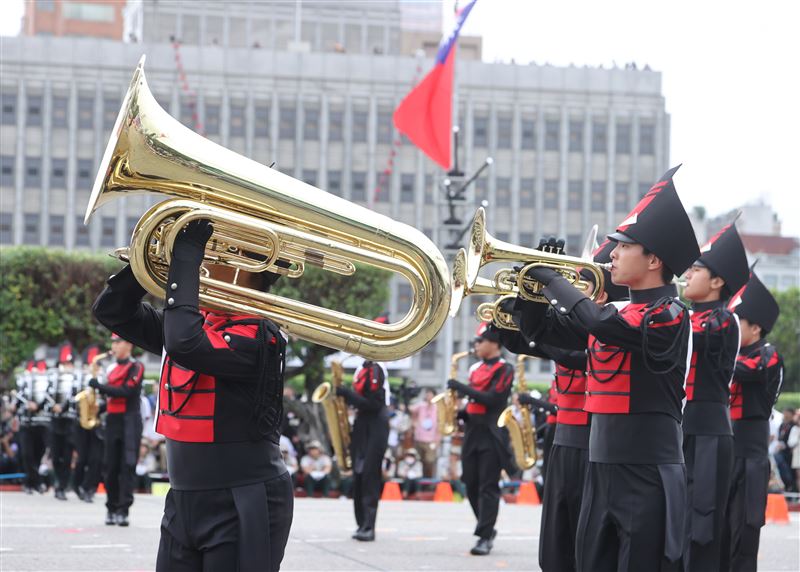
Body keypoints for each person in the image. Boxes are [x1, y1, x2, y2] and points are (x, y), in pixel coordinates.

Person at [516, 166, 699, 570]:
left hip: (647, 470)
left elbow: (599, 323)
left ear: (653, 258)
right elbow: (538, 334)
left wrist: (549, 279)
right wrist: (528, 291)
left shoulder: (668, 313)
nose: (611, 255)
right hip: (600, 466)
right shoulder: (620, 310)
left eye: (623, 247)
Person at [92, 219, 293, 570]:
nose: (203, 261)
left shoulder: (261, 335)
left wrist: (186, 254)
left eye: (216, 252)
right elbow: (111, 310)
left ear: (243, 267)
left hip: (242, 497)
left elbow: (186, 343)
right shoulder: (197, 325)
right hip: (183, 499)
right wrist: (150, 261)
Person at [500, 238, 628, 572]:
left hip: (593, 440)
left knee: (586, 544)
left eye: (581, 285)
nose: (573, 292)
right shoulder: (576, 326)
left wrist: (548, 302)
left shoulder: (612, 327)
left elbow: (572, 355)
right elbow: (518, 337)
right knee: (555, 542)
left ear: (601, 294)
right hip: (564, 439)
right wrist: (527, 290)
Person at [680, 220, 749, 571]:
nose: (686, 275)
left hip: (708, 431)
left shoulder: (724, 320)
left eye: (695, 269)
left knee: (703, 525)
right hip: (680, 428)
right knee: (676, 523)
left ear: (718, 281)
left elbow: (692, 338)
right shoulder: (683, 317)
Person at [722, 272, 784, 571]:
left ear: (756, 327)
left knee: (743, 535)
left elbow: (747, 370)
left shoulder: (768, 354)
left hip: (750, 456)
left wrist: (714, 348)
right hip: (725, 451)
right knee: (716, 532)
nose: (730, 329)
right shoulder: (729, 353)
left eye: (738, 323)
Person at [447, 322, 515, 556]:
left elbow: (494, 400)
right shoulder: (475, 368)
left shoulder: (505, 369)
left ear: (494, 344)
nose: (476, 345)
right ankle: (486, 527)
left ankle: (484, 536)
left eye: (480, 341)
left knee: (488, 486)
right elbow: (475, 403)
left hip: (492, 433)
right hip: (472, 432)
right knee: (471, 483)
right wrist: (459, 412)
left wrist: (462, 389)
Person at [88, 332, 144, 526]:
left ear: (128, 344)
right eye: (113, 342)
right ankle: (111, 507)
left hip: (129, 422)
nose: (114, 346)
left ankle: (123, 510)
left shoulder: (137, 367)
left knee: (127, 466)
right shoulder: (111, 368)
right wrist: (96, 408)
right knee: (110, 467)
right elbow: (112, 399)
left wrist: (99, 387)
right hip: (112, 421)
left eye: (117, 342)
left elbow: (127, 392)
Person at [336, 358, 390, 541]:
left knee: (369, 475)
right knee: (358, 475)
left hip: (375, 425)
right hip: (362, 423)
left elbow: (374, 404)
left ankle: (369, 526)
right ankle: (361, 524)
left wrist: (347, 394)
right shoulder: (362, 367)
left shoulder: (377, 367)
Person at [72, 344, 105, 502]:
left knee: (96, 459)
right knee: (82, 458)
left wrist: (101, 406)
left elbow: (108, 399)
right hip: (82, 423)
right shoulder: (78, 378)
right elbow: (73, 398)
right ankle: (77, 485)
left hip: (98, 423)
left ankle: (89, 488)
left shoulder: (104, 378)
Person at [16, 360, 51, 494]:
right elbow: (18, 399)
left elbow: (50, 398)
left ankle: (34, 483)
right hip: (26, 423)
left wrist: (38, 406)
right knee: (27, 454)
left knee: (39, 453)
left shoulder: (48, 380)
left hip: (42, 424)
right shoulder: (23, 380)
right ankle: (32, 482)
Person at [50, 342, 78, 501]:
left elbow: (75, 397)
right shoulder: (52, 378)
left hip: (69, 423)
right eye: (64, 363)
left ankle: (62, 485)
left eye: (69, 363)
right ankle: (57, 482)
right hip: (55, 422)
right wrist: (51, 406)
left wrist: (64, 406)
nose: (66, 366)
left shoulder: (76, 379)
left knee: (67, 456)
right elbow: (45, 396)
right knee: (55, 456)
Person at [409, 388, 439, 477]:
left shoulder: (437, 408)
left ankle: (429, 482)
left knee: (429, 461)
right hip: (419, 438)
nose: (428, 397)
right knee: (419, 461)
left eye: (430, 395)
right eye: (427, 394)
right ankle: (419, 481)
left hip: (431, 440)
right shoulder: (421, 406)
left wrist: (437, 441)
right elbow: (411, 410)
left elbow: (439, 425)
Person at [775, 407, 797, 492]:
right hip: (782, 451)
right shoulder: (782, 425)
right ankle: (787, 485)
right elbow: (780, 438)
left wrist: (785, 446)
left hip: (790, 452)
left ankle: (791, 486)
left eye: (787, 413)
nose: (785, 415)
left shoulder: (794, 425)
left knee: (792, 472)